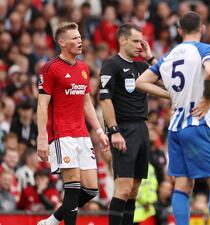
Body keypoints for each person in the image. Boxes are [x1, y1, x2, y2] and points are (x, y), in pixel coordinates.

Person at [136, 11, 210, 225]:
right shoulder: (206, 49)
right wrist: (206, 98)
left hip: (175, 127)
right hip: (198, 122)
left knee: (183, 184)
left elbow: (141, 82)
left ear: (179, 31)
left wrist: (170, 93)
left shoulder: (169, 55)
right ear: (202, 28)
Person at [36, 22, 109, 225]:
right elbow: (42, 106)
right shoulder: (50, 68)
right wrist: (42, 137)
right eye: (75, 38)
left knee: (91, 189)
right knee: (73, 186)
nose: (80, 41)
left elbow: (87, 103)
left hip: (82, 134)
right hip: (61, 134)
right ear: (62, 42)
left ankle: (51, 222)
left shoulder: (84, 68)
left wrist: (99, 131)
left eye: (80, 37)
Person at [98, 23, 156, 225]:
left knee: (133, 190)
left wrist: (151, 58)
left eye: (142, 41)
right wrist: (114, 131)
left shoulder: (142, 66)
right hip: (123, 128)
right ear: (122, 40)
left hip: (142, 128)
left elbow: (169, 83)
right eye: (135, 41)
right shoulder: (111, 64)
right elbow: (105, 99)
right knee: (122, 188)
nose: (140, 45)